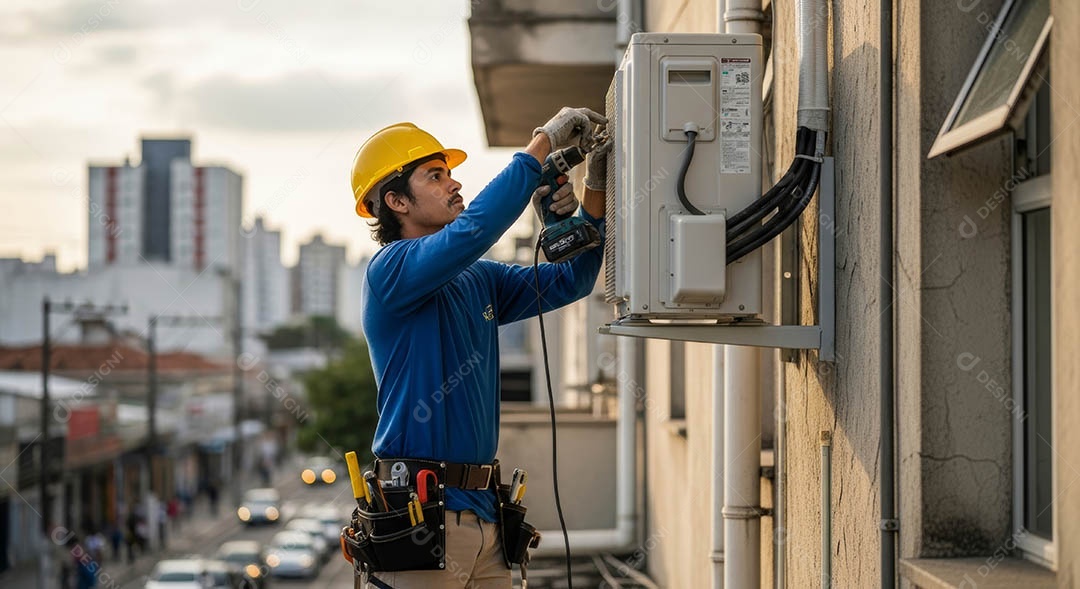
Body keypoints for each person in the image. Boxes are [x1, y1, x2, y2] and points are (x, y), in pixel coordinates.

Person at [352, 108, 612, 589]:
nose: (453, 185)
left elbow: (570, 281)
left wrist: (593, 190)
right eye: (434, 176)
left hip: (485, 516)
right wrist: (540, 144)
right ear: (397, 201)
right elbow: (474, 230)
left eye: (450, 174)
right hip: (419, 518)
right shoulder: (389, 272)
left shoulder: (478, 278)